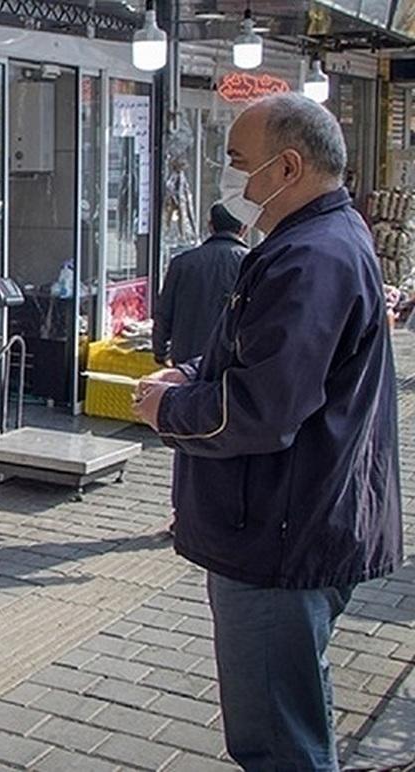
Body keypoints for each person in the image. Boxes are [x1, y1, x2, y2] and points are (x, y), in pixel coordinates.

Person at [132, 93, 402, 771]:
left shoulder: (311, 259)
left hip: (282, 536)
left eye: (236, 162)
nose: (230, 178)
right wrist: (189, 372)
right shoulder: (314, 242)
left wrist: (168, 410)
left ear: (286, 167)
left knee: (278, 744)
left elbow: (260, 409)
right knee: (292, 720)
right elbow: (251, 354)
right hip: (295, 526)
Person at [152, 204, 249, 366]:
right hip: (231, 361)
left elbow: (163, 313)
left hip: (186, 359)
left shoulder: (182, 263)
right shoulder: (251, 263)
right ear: (244, 229)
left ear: (210, 226)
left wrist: (160, 352)